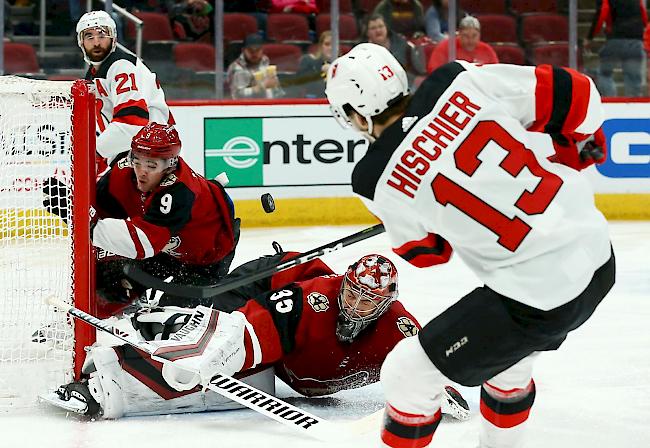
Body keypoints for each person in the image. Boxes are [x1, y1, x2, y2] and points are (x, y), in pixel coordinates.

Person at [325, 43, 615, 447]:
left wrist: (433, 211)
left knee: (406, 377)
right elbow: (579, 95)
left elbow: (427, 254)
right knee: (508, 363)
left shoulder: (373, 178)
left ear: (354, 113)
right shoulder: (458, 78)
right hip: (598, 256)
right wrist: (575, 146)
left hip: (537, 299)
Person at [43, 252, 470, 421]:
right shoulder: (308, 300)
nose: (357, 306)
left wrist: (439, 387)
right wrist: (210, 357)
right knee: (199, 357)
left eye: (369, 301)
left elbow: (428, 360)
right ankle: (98, 386)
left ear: (385, 305)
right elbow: (250, 330)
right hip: (266, 300)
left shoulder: (399, 326)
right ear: (342, 285)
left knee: (224, 363)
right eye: (353, 294)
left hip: (298, 368)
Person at [43, 122, 239, 317]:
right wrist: (72, 205)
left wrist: (78, 217)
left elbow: (143, 243)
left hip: (206, 259)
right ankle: (88, 321)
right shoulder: (122, 174)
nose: (142, 171)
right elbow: (99, 212)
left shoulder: (181, 191)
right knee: (106, 278)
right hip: (165, 252)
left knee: (172, 320)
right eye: (137, 161)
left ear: (170, 166)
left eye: (152, 165)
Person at [77, 10, 173, 170]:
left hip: (153, 154)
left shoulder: (122, 67)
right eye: (89, 36)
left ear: (113, 38)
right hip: (132, 156)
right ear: (81, 42)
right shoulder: (94, 74)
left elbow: (132, 124)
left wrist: (92, 154)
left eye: (102, 35)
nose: (96, 43)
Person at [585, 0, 648, 97]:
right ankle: (633, 106)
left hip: (616, 38)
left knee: (604, 73)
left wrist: (590, 37)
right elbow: (643, 16)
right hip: (635, 40)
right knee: (633, 78)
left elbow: (602, 13)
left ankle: (609, 100)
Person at [427, 15, 498, 73]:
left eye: (474, 36)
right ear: (459, 34)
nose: (470, 40)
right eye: (466, 36)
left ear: (480, 35)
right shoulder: (445, 48)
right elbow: (434, 71)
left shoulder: (487, 50)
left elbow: (496, 73)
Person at [227, 33, 284, 99]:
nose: (254, 54)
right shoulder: (237, 68)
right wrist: (261, 87)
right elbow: (238, 95)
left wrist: (275, 86)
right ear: (243, 50)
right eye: (250, 50)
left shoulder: (265, 61)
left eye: (257, 50)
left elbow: (277, 92)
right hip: (246, 107)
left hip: (269, 104)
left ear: (262, 50)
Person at [294, 31, 334, 98]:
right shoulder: (308, 61)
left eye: (334, 45)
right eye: (327, 44)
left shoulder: (343, 65)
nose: (330, 48)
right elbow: (301, 82)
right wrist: (320, 71)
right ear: (321, 46)